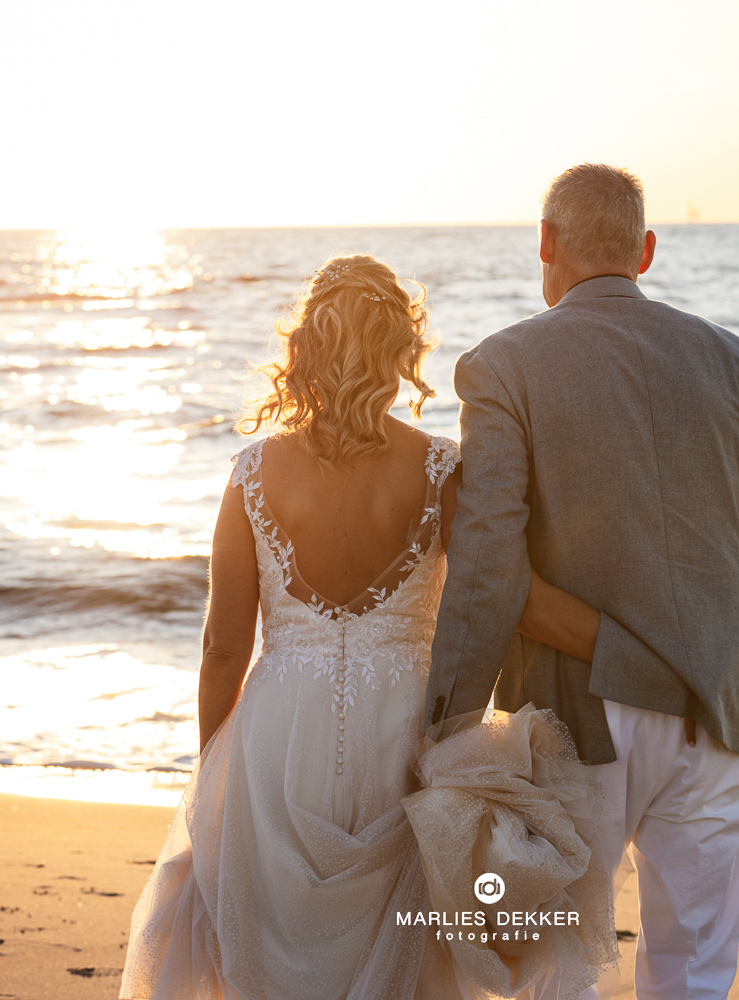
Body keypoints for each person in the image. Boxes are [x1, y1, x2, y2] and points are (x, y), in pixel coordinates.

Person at [121, 254, 615, 1000]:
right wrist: (622, 645)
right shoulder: (441, 468)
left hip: (279, 732)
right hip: (404, 728)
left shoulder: (252, 474)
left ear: (303, 350)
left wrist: (212, 775)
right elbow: (495, 598)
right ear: (399, 351)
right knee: (408, 958)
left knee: (278, 942)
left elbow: (223, 647)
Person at [425, 164, 739, 999]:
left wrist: (447, 723)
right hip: (723, 709)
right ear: (646, 250)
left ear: (545, 244)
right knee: (694, 972)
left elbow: (487, 562)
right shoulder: (738, 362)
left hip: (581, 707)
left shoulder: (502, 365)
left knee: (554, 966)